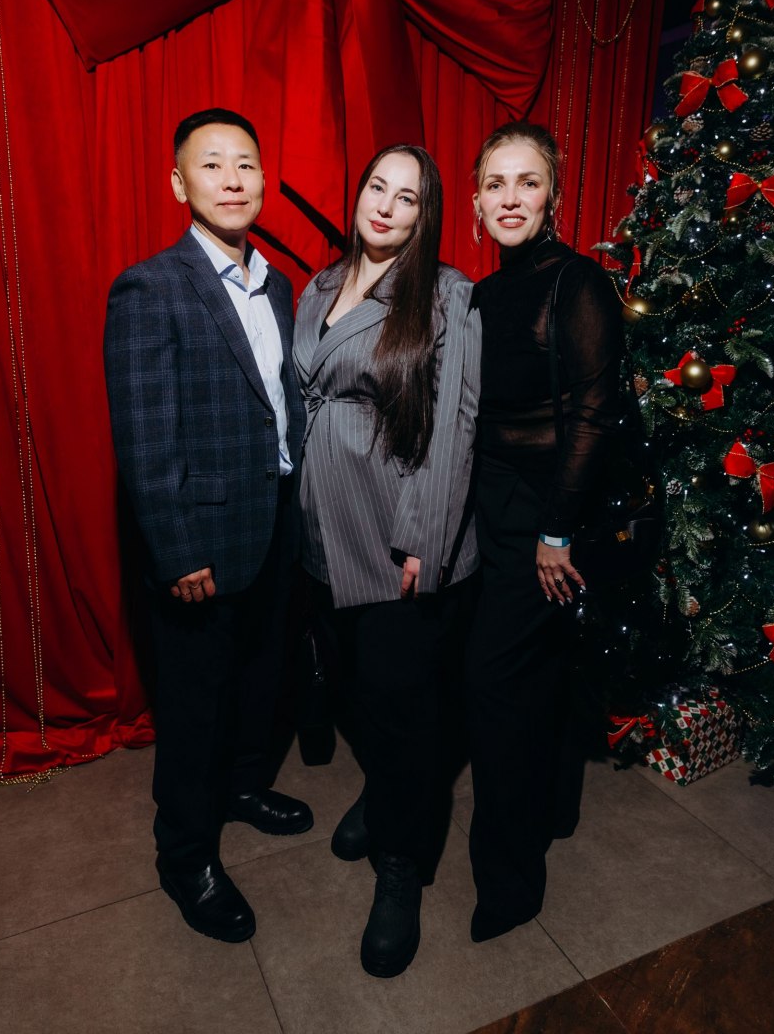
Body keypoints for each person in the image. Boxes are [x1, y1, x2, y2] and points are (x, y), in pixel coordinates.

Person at [103, 108, 312, 944]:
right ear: (178, 183)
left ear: (264, 180)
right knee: (194, 707)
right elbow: (144, 437)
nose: (232, 179)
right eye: (213, 164)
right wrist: (178, 549)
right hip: (202, 541)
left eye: (246, 164)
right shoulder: (151, 287)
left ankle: (244, 786)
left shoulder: (279, 286)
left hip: (277, 523)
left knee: (261, 677)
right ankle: (185, 854)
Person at [293, 144, 480, 977]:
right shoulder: (320, 285)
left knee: (405, 708)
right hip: (321, 531)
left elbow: (457, 426)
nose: (386, 206)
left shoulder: (445, 296)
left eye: (408, 198)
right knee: (354, 689)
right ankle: (382, 792)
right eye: (378, 187)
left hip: (394, 534)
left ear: (424, 215)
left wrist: (424, 540)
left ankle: (401, 865)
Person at [467, 121, 622, 943]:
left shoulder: (578, 282)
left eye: (527, 182)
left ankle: (509, 883)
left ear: (553, 195)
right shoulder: (484, 294)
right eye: (496, 183)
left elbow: (594, 414)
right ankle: (556, 810)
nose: (510, 198)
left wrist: (557, 531)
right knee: (541, 675)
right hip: (492, 509)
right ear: (475, 200)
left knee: (498, 691)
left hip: (547, 514)